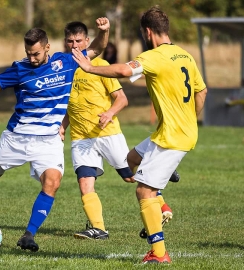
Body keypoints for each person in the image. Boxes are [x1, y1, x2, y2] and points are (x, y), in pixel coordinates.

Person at [0, 17, 110, 252]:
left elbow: (97, 49)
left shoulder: (68, 62)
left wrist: (105, 31)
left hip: (49, 140)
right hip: (16, 138)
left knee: (52, 183)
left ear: (47, 48)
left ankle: (28, 235)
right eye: (28, 54)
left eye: (36, 54)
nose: (32, 59)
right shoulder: (19, 69)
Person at [72, 6, 207, 264]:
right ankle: (158, 209)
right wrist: (191, 119)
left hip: (172, 137)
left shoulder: (155, 56)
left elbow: (123, 70)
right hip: (175, 132)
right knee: (131, 159)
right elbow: (202, 92)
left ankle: (159, 253)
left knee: (144, 192)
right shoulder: (185, 55)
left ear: (147, 31)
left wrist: (90, 68)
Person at [60, 21, 179, 241]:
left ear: (87, 41)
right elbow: (71, 103)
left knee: (130, 176)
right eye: (70, 41)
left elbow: (122, 99)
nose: (74, 45)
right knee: (84, 180)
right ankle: (98, 228)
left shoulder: (101, 65)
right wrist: (62, 126)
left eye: (79, 40)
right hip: (81, 137)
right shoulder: (64, 69)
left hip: (107, 134)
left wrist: (109, 113)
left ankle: (161, 203)